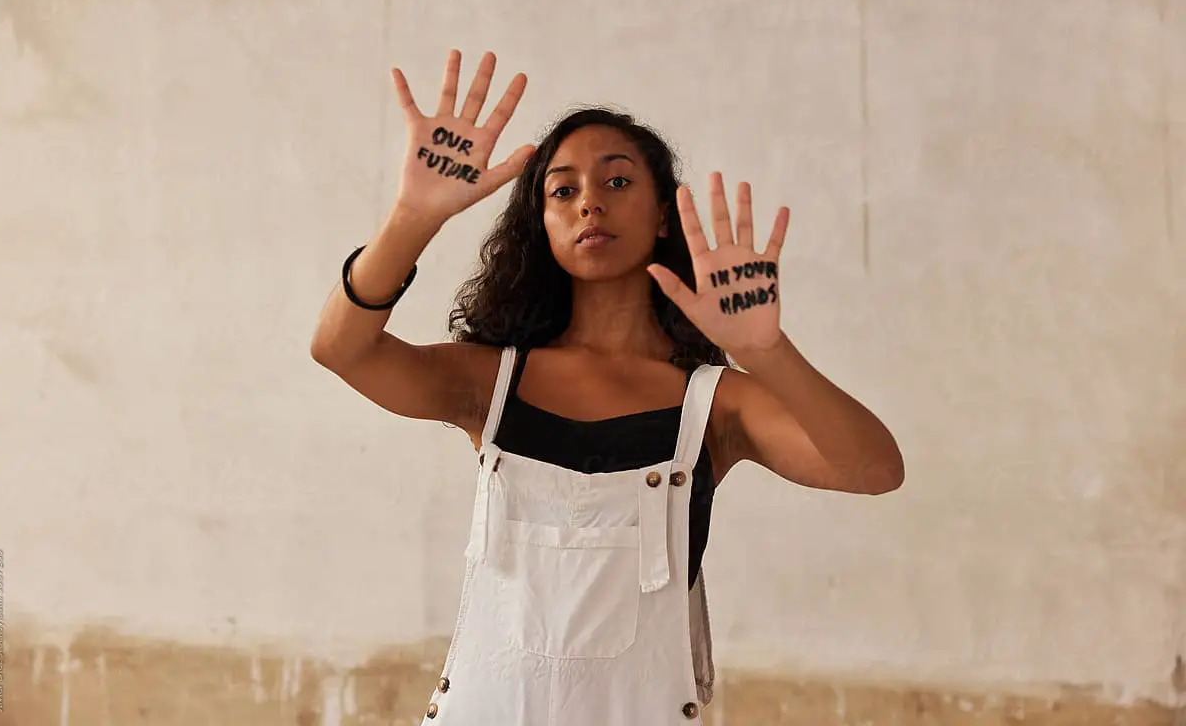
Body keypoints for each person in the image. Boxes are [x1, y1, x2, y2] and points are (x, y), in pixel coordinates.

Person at [310, 49, 904, 725]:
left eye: (616, 182)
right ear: (544, 226)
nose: (589, 199)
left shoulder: (715, 403)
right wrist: (413, 217)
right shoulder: (491, 378)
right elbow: (340, 349)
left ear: (660, 216)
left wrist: (768, 353)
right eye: (562, 190)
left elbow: (874, 469)